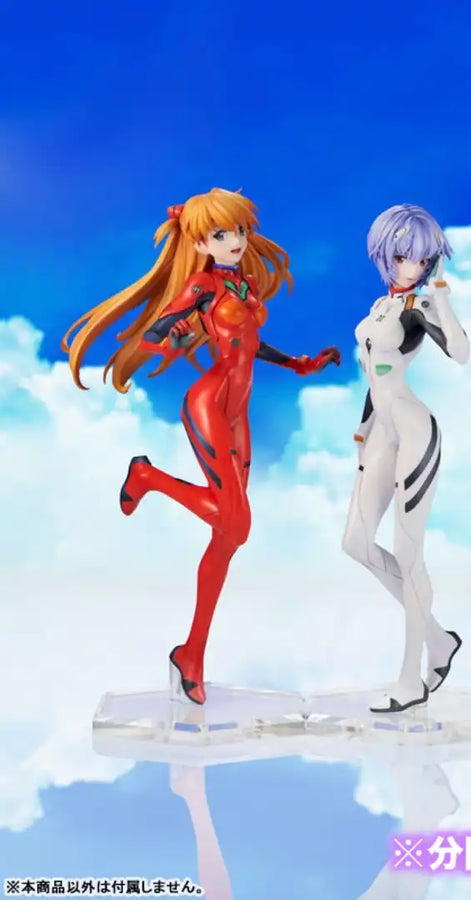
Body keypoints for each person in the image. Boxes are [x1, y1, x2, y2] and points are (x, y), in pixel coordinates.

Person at [62, 187, 340, 704]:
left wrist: (296, 364)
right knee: (238, 524)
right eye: (221, 233)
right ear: (199, 242)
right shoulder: (201, 285)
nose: (235, 240)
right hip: (209, 404)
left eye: (240, 231)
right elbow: (157, 332)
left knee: (227, 539)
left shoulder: (244, 284)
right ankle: (147, 476)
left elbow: (250, 344)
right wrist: (176, 335)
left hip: (239, 413)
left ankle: (192, 653)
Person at [342, 203, 469, 713]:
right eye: (400, 256)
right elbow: (375, 375)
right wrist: (363, 428)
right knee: (355, 543)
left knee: (408, 552)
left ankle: (411, 677)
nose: (409, 266)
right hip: (380, 431)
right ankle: (439, 639)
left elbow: (460, 352)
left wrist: (443, 301)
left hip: (415, 430)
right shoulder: (381, 306)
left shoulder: (419, 305)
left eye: (420, 258)